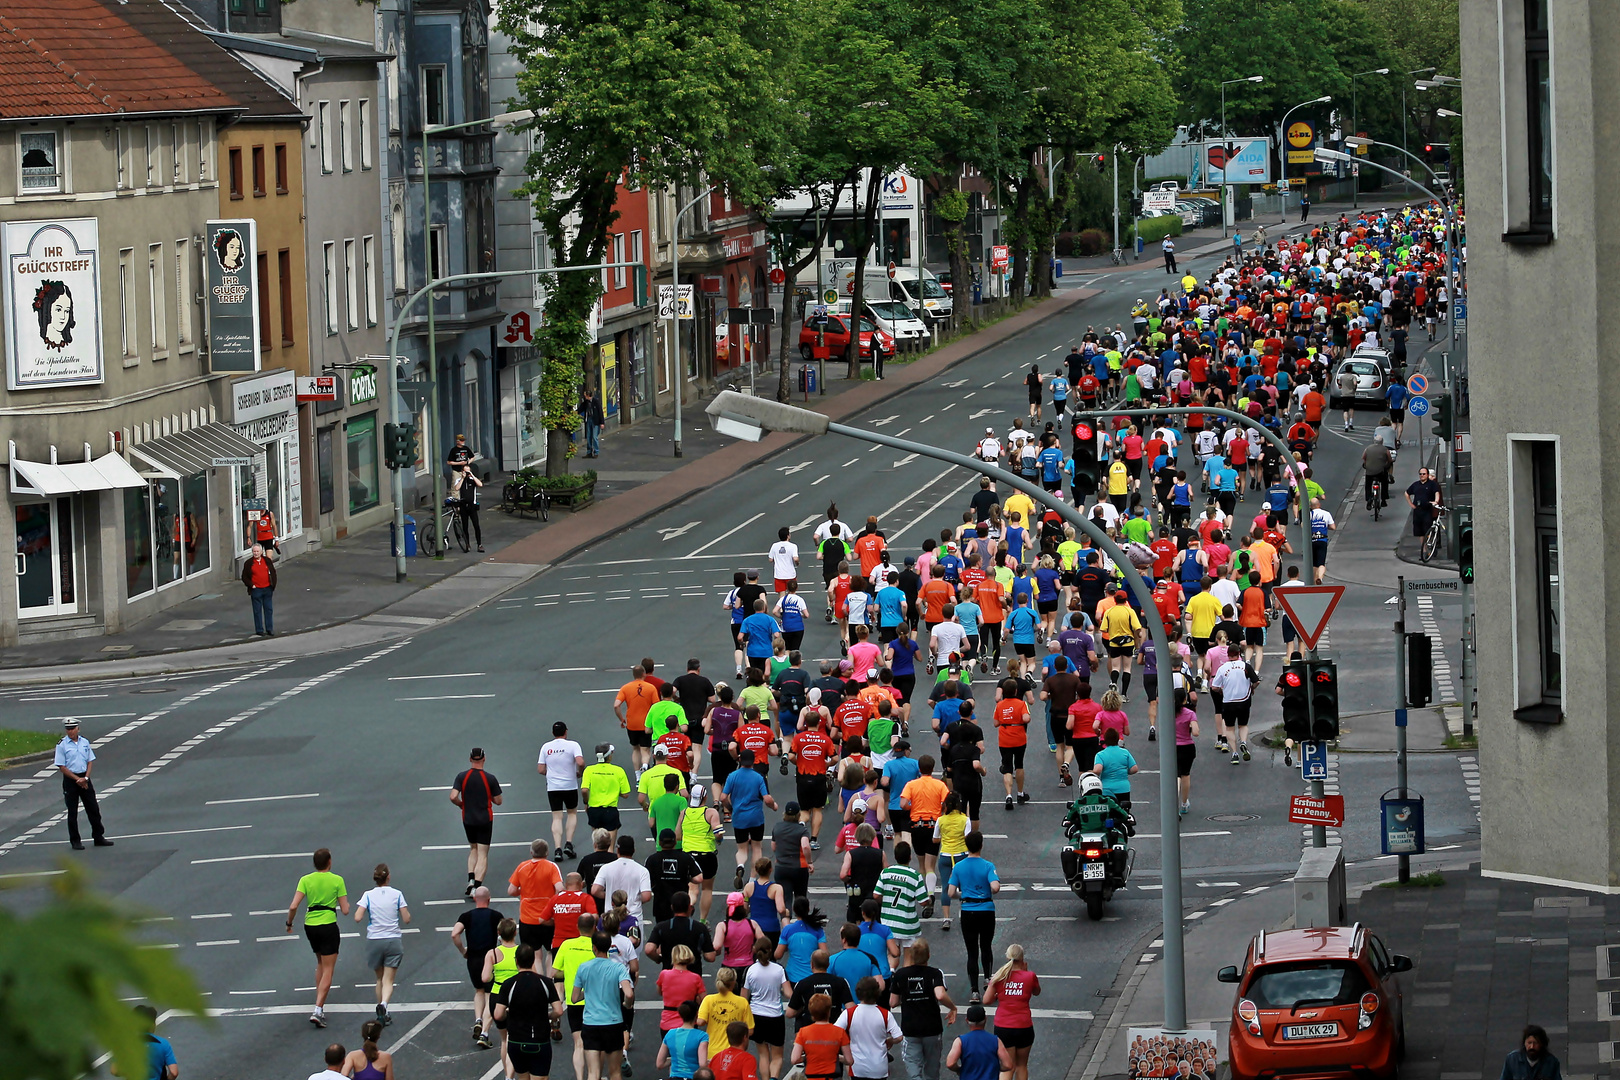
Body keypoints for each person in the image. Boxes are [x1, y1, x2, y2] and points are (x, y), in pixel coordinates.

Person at [285, 848, 350, 1029]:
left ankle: (318, 1002)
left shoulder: (305, 880)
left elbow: (293, 906)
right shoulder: (337, 880)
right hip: (328, 925)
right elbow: (345, 910)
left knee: (320, 962)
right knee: (329, 968)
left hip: (310, 926)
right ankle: (318, 1009)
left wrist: (289, 923)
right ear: (329, 862)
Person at [493, 944, 563, 1080]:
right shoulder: (545, 983)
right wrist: (549, 1016)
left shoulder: (508, 984)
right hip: (540, 1040)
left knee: (523, 1077)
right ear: (533, 961)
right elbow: (558, 1010)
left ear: (516, 961)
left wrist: (510, 1014)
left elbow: (498, 1014)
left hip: (516, 1041)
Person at [571, 932, 633, 1080]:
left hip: (591, 1024)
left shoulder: (583, 967)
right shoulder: (618, 968)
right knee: (615, 1071)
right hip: (613, 1023)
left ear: (594, 947)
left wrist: (587, 992)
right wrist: (627, 1004)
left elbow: (574, 998)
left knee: (593, 1072)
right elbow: (629, 993)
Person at [890, 937, 954, 1080]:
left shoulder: (900, 974)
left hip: (910, 1029)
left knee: (914, 1070)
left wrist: (907, 997)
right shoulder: (935, 973)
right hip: (932, 1028)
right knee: (932, 1070)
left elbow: (893, 1002)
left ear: (911, 956)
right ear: (928, 955)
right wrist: (953, 1008)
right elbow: (940, 994)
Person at [355, 863, 410, 1026]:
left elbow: (358, 917)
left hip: (374, 940)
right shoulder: (397, 894)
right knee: (389, 980)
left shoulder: (367, 895)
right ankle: (384, 1005)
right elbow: (406, 919)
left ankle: (381, 1013)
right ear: (388, 877)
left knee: (379, 978)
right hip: (392, 939)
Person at [948, 831, 999, 1004]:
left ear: (966, 845)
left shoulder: (959, 867)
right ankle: (988, 980)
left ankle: (974, 991)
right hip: (986, 909)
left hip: (967, 910)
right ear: (981, 845)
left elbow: (950, 892)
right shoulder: (988, 865)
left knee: (971, 951)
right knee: (986, 946)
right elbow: (995, 887)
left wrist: (963, 895)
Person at [453, 885, 505, 1047]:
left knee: (479, 990)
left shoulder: (466, 916)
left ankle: (478, 1019)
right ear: (489, 900)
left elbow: (455, 934)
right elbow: (504, 935)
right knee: (490, 993)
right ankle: (484, 1032)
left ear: (475, 898)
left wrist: (463, 951)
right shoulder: (496, 916)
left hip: (473, 959)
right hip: (489, 958)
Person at [721, 748, 777, 891]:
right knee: (757, 847)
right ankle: (752, 879)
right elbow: (767, 798)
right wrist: (773, 806)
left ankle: (740, 865)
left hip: (739, 817)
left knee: (741, 848)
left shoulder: (732, 776)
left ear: (740, 760)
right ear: (753, 761)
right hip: (756, 817)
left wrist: (730, 807)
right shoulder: (758, 777)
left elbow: (722, 797)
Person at [983, 944, 1039, 1080]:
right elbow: (1037, 992)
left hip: (1003, 1026)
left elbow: (986, 1000)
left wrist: (997, 991)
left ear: (1008, 957)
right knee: (1021, 1066)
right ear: (1022, 958)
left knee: (1007, 1066)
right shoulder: (1030, 976)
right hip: (1024, 1025)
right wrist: (1026, 972)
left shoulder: (1000, 976)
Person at [452, 747, 503, 895]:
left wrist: (461, 804)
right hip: (485, 819)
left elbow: (453, 796)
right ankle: (477, 887)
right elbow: (498, 801)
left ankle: (471, 880)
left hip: (468, 818)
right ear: (484, 758)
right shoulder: (490, 778)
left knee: (473, 848)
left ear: (470, 759)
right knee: (483, 853)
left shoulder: (462, 776)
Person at [54, 719, 110, 850]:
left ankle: (98, 836)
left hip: (84, 777)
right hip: (71, 780)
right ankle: (75, 840)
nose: (70, 731)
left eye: (73, 728)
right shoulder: (62, 745)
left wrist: (85, 778)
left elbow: (90, 761)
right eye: (68, 729)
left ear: (78, 729)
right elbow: (61, 766)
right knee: (72, 812)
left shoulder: (84, 742)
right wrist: (77, 779)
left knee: (93, 808)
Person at [745, 937, 793, 1079]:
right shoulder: (779, 969)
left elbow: (744, 996)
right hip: (775, 1016)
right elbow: (789, 993)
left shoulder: (750, 970)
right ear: (770, 950)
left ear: (755, 950)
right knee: (777, 1057)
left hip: (756, 1015)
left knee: (763, 1054)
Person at [540, 720, 586, 860]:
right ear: (566, 732)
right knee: (572, 813)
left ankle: (557, 848)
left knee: (557, 816)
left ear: (553, 733)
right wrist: (579, 772)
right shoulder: (573, 745)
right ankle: (569, 843)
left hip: (553, 787)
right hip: (569, 785)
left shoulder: (546, 747)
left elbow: (541, 769)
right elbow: (580, 762)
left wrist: (551, 774)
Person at [792, 993, 855, 1079]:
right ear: (828, 1011)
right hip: (832, 1076)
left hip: (811, 1077)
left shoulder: (803, 1032)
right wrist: (836, 1057)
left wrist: (808, 1056)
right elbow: (849, 1060)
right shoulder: (839, 1032)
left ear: (811, 1012)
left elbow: (795, 1059)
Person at [580, 743, 631, 848]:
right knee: (610, 847)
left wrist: (586, 802)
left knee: (598, 845)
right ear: (609, 756)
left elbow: (584, 790)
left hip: (594, 810)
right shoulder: (618, 771)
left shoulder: (589, 770)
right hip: (610, 811)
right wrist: (615, 790)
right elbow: (626, 794)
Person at [698, 965, 755, 1054]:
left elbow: (700, 1022)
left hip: (712, 1051)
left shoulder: (708, 1000)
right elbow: (750, 1030)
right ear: (733, 982)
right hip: (735, 1053)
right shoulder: (742, 1002)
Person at [945, 1005, 1010, 1080]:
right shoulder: (995, 1040)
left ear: (967, 1020)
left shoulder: (960, 1041)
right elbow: (1008, 1065)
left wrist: (960, 1069)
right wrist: (995, 1068)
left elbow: (950, 1063)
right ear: (985, 1019)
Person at [657, 1000, 708, 1080]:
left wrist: (676, 1057)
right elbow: (702, 1064)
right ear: (696, 1014)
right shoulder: (702, 1036)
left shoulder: (670, 1034)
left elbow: (660, 1064)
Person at [129, 1004, 178, 1080]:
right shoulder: (163, 1043)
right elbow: (174, 1072)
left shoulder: (128, 1044)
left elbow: (115, 1071)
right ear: (152, 1024)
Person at [1173, 688, 1201, 816]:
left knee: (1176, 776)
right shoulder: (1190, 713)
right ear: (1185, 699)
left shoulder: (1168, 712)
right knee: (1185, 775)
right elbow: (1196, 732)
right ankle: (1184, 803)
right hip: (1187, 747)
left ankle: (1174, 804)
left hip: (1173, 747)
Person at [241, 541, 277, 636]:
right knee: (257, 610)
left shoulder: (267, 561)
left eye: (257, 551)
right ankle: (259, 629)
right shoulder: (249, 563)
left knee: (268, 609)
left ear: (261, 552)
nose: (256, 553)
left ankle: (269, 629)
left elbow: (273, 573)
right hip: (256, 589)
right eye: (254, 551)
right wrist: (251, 585)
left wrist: (272, 585)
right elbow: (244, 577)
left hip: (267, 588)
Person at [452, 461, 485, 551]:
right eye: (465, 471)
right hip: (463, 506)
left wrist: (472, 476)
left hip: (472, 506)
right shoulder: (459, 480)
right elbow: (456, 488)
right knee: (465, 526)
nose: (466, 473)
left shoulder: (472, 480)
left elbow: (480, 484)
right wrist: (463, 478)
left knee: (476, 525)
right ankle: (467, 544)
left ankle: (479, 544)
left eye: (468, 471)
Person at [1406, 466, 1442, 539]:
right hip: (1418, 510)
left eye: (1424, 474)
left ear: (1427, 475)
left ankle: (1430, 543)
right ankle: (1424, 548)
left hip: (1427, 510)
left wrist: (1436, 501)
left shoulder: (1432, 484)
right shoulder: (1415, 484)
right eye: (1420, 474)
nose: (1422, 475)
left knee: (1428, 528)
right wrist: (1411, 504)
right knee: (1419, 531)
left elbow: (1437, 493)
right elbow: (1407, 493)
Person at [580, 387, 605, 458]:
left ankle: (596, 452)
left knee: (594, 437)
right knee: (588, 437)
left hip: (595, 421)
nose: (584, 397)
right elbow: (581, 408)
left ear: (588, 396)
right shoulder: (586, 402)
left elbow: (600, 412)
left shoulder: (596, 402)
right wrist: (575, 412)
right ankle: (589, 452)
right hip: (589, 420)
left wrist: (602, 423)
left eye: (585, 396)